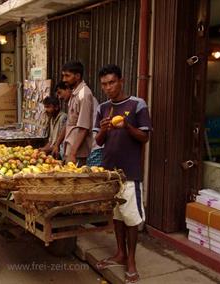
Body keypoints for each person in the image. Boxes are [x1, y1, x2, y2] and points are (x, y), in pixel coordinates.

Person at [94, 64, 152, 283]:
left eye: (111, 82)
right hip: (110, 173)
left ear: (121, 81)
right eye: (104, 84)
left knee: (131, 218)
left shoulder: (137, 105)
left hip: (130, 173)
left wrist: (127, 126)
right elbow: (98, 141)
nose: (108, 88)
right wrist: (104, 129)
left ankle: (131, 261)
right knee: (117, 216)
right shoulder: (102, 108)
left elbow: (144, 137)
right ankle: (119, 253)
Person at [55, 61, 94, 165]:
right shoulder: (74, 94)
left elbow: (84, 127)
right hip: (71, 150)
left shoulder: (84, 95)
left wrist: (73, 153)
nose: (64, 79)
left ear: (77, 76)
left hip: (78, 154)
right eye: (63, 76)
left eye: (67, 76)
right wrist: (57, 144)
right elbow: (69, 122)